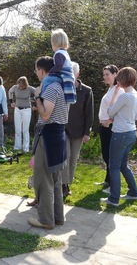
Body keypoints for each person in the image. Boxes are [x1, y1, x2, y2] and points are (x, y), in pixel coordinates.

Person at [28, 56, 69, 230]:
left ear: (42, 70)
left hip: (49, 138)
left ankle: (46, 220)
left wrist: (37, 97)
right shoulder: (62, 86)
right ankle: (58, 217)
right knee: (55, 179)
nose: (36, 73)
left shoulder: (51, 87)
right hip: (58, 137)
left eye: (36, 70)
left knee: (43, 179)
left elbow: (46, 115)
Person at [100, 66, 137, 207]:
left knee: (114, 166)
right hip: (131, 132)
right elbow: (136, 116)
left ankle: (113, 198)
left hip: (120, 134)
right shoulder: (136, 95)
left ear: (122, 79)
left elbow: (110, 112)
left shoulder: (125, 96)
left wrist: (114, 101)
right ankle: (133, 192)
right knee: (123, 165)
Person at [62, 62, 94, 198]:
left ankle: (67, 183)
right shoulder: (62, 88)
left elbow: (89, 113)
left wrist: (87, 132)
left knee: (73, 159)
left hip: (79, 131)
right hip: (63, 129)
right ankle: (63, 185)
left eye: (71, 73)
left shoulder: (86, 91)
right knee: (65, 157)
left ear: (77, 74)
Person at [97, 65, 124, 192]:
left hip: (110, 127)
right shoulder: (111, 89)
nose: (105, 77)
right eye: (104, 75)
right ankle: (108, 180)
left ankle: (113, 183)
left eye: (107, 74)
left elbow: (118, 109)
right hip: (104, 127)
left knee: (110, 156)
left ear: (115, 74)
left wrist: (108, 122)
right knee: (106, 155)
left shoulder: (119, 90)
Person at [41, 28, 76, 104]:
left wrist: (50, 72)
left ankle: (43, 97)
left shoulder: (58, 53)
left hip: (63, 76)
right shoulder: (65, 52)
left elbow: (59, 65)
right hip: (68, 76)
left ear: (54, 43)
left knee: (46, 80)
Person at [8, 76, 36, 153]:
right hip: (17, 109)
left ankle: (26, 148)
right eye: (19, 85)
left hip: (26, 109)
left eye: (22, 86)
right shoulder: (15, 87)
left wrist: (36, 105)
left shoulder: (29, 88)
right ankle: (17, 147)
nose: (20, 87)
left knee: (25, 130)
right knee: (17, 129)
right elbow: (10, 92)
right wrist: (11, 102)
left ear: (25, 84)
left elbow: (38, 93)